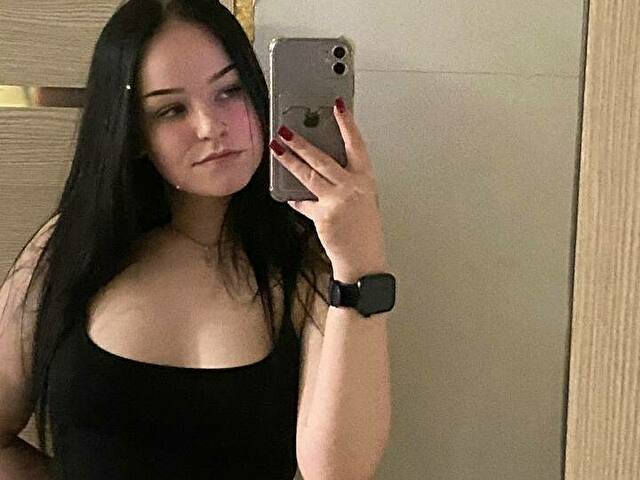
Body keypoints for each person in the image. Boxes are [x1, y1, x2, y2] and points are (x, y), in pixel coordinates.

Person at [0, 0, 391, 478]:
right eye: (171, 110)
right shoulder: (71, 247)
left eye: (229, 91)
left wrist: (360, 262)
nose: (210, 127)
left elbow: (338, 472)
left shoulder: (309, 267)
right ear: (134, 132)